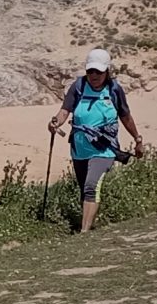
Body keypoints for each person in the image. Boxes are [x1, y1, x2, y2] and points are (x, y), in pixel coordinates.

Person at [47, 48, 146, 233]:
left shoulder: (114, 89)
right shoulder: (78, 86)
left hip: (104, 149)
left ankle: (84, 232)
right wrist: (55, 122)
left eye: (98, 71)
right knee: (84, 189)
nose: (94, 75)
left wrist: (137, 139)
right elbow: (65, 111)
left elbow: (125, 116)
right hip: (79, 149)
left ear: (107, 71)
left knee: (91, 185)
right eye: (90, 71)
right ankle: (89, 224)